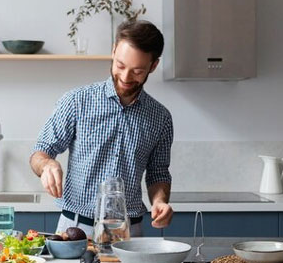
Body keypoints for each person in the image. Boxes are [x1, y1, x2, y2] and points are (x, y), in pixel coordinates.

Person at [29, 20, 174, 237]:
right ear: (114, 51)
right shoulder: (76, 101)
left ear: (153, 66)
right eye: (121, 65)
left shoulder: (160, 118)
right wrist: (47, 164)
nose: (125, 78)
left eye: (137, 71)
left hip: (129, 233)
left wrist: (160, 201)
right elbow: (40, 152)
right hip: (75, 231)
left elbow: (158, 173)